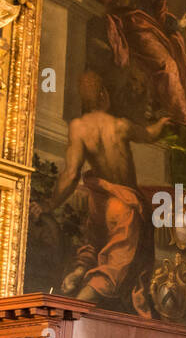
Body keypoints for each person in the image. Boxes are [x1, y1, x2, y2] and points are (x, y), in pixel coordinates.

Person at [48, 72, 171, 303]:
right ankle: (77, 306)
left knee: (95, 244)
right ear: (104, 95)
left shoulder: (78, 128)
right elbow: (150, 134)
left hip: (99, 200)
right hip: (123, 205)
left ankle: (78, 271)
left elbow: (71, 173)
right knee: (116, 263)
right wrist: (163, 123)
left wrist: (50, 203)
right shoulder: (120, 125)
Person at [94, 0, 186, 130]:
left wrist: (178, 24)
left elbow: (160, 15)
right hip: (131, 23)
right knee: (168, 63)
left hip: (148, 27)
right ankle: (182, 117)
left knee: (176, 61)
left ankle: (174, 114)